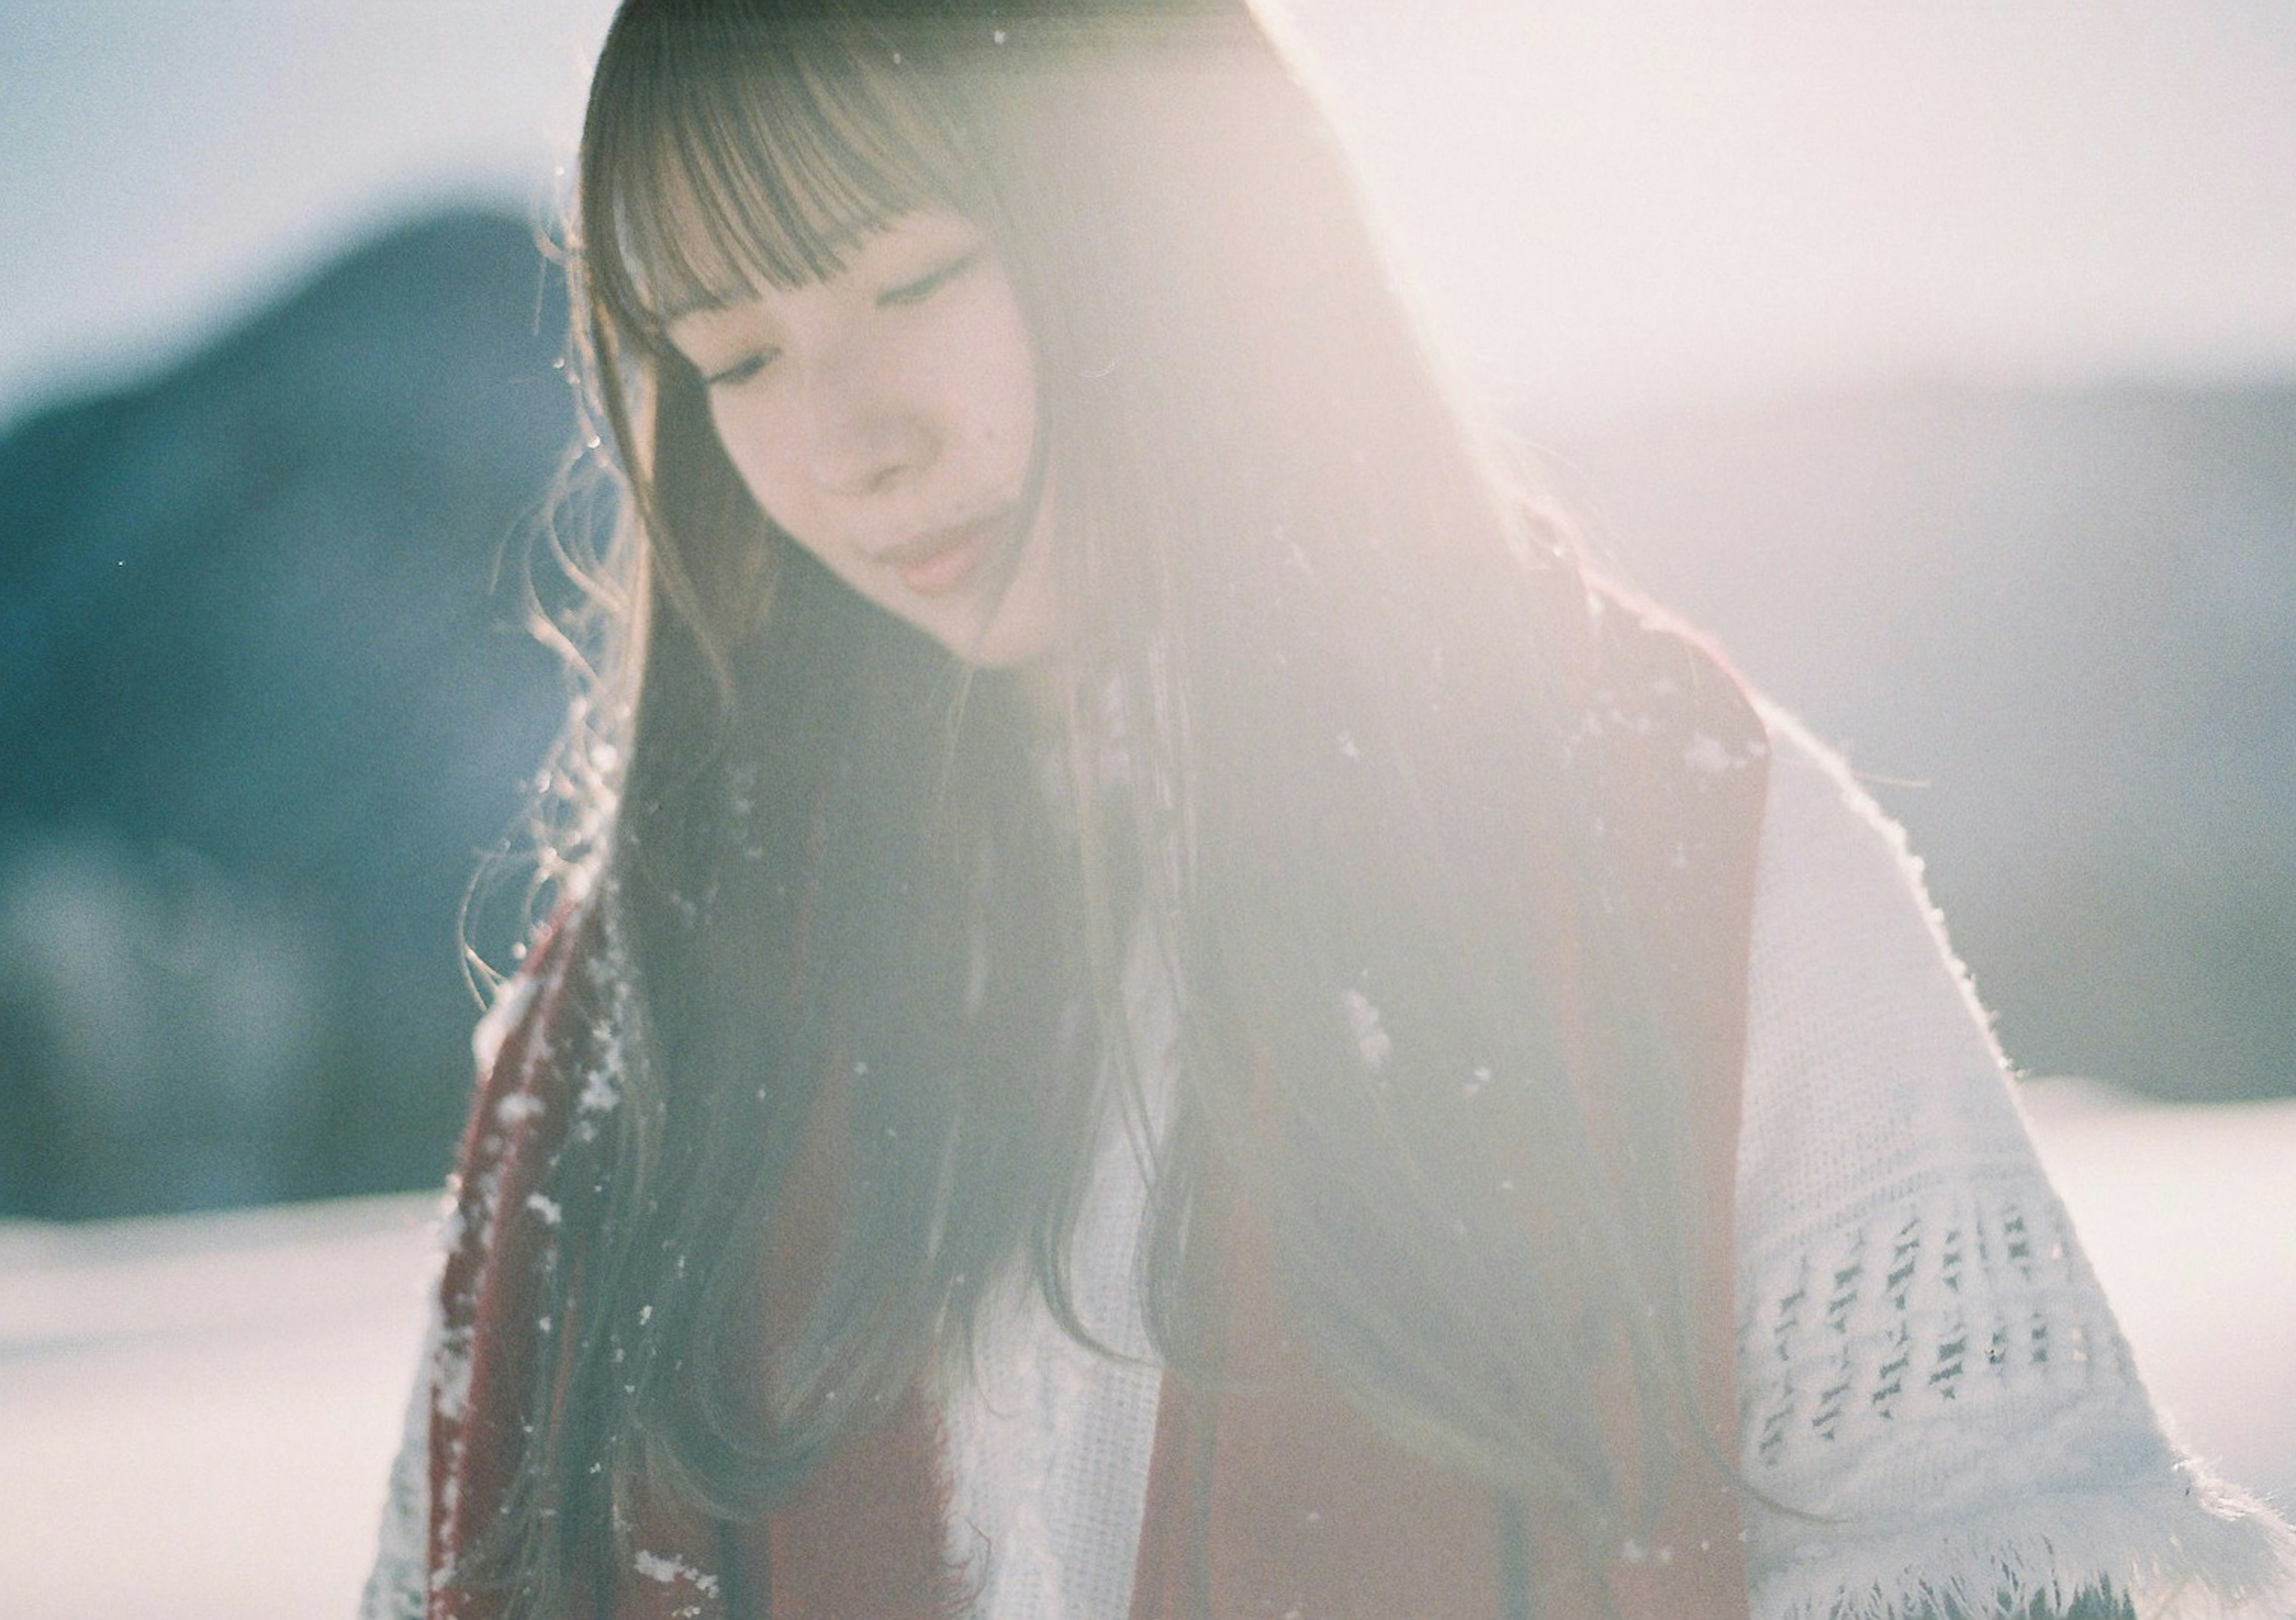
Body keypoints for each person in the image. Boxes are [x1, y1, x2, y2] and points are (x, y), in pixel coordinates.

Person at [365, 3, 2296, 1618]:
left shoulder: (1676, 848)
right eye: (738, 355)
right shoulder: (646, 999)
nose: (849, 440)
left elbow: (1984, 1558)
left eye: (916, 275)